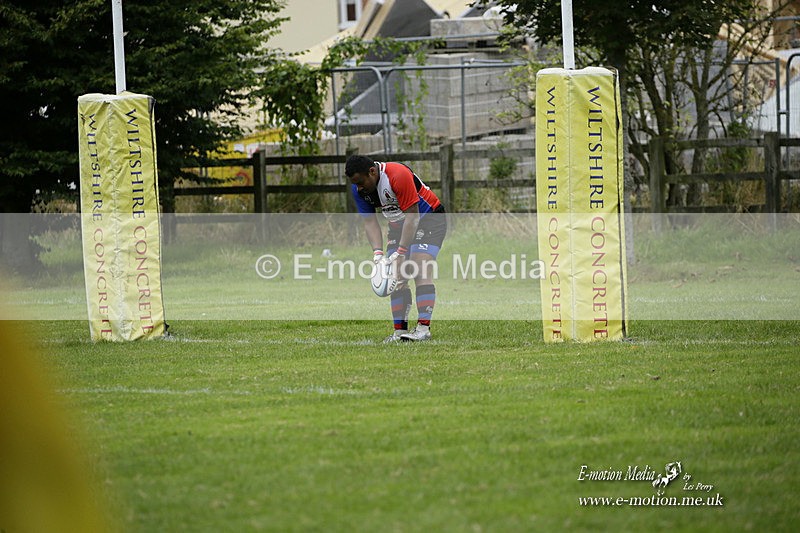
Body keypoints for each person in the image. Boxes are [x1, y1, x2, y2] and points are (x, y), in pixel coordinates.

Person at [345, 155, 447, 342]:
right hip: (398, 224)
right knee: (396, 274)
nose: (358, 188)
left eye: (360, 182)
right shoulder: (358, 189)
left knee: (418, 267)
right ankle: (399, 331)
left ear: (372, 172)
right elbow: (369, 222)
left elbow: (413, 217)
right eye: (355, 184)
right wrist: (377, 254)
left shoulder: (397, 175)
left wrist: (401, 252)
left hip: (428, 218)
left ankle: (423, 329)